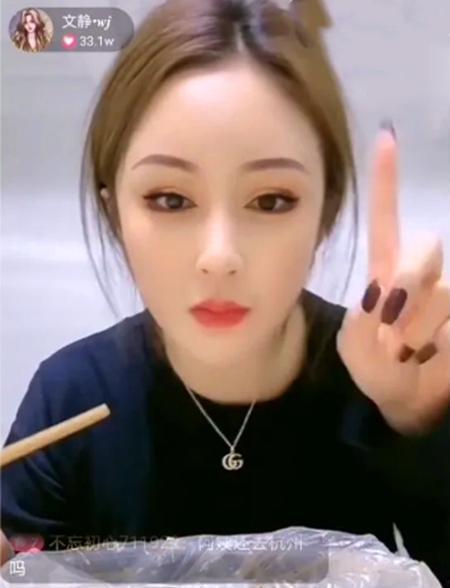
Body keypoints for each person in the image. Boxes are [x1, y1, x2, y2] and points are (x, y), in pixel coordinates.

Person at [2, 0, 449, 584]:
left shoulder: (386, 382)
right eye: (170, 199)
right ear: (116, 215)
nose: (219, 256)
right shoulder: (70, 399)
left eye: (271, 200)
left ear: (325, 212)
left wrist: (422, 429)